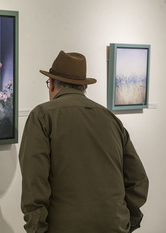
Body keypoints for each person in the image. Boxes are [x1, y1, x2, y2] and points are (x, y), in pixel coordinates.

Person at [19, 50, 149, 233]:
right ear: (84, 87)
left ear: (52, 85)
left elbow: (34, 185)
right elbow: (138, 180)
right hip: (114, 225)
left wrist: (36, 229)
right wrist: (128, 221)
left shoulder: (42, 117)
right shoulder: (110, 119)